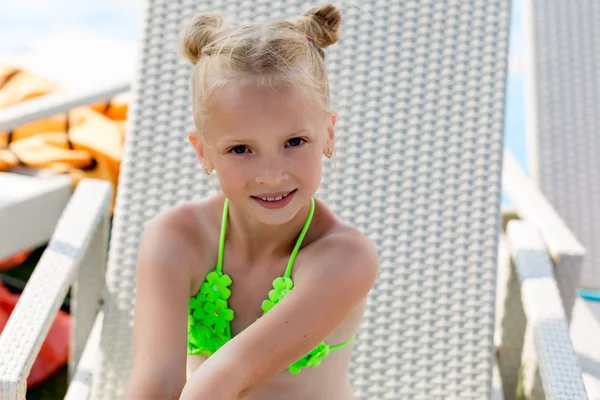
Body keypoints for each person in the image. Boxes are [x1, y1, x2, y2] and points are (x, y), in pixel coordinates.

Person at [125, 4, 378, 399]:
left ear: (328, 134)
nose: (271, 174)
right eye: (241, 149)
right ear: (203, 151)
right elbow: (155, 382)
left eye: (294, 142)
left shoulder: (345, 257)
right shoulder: (176, 238)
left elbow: (229, 374)